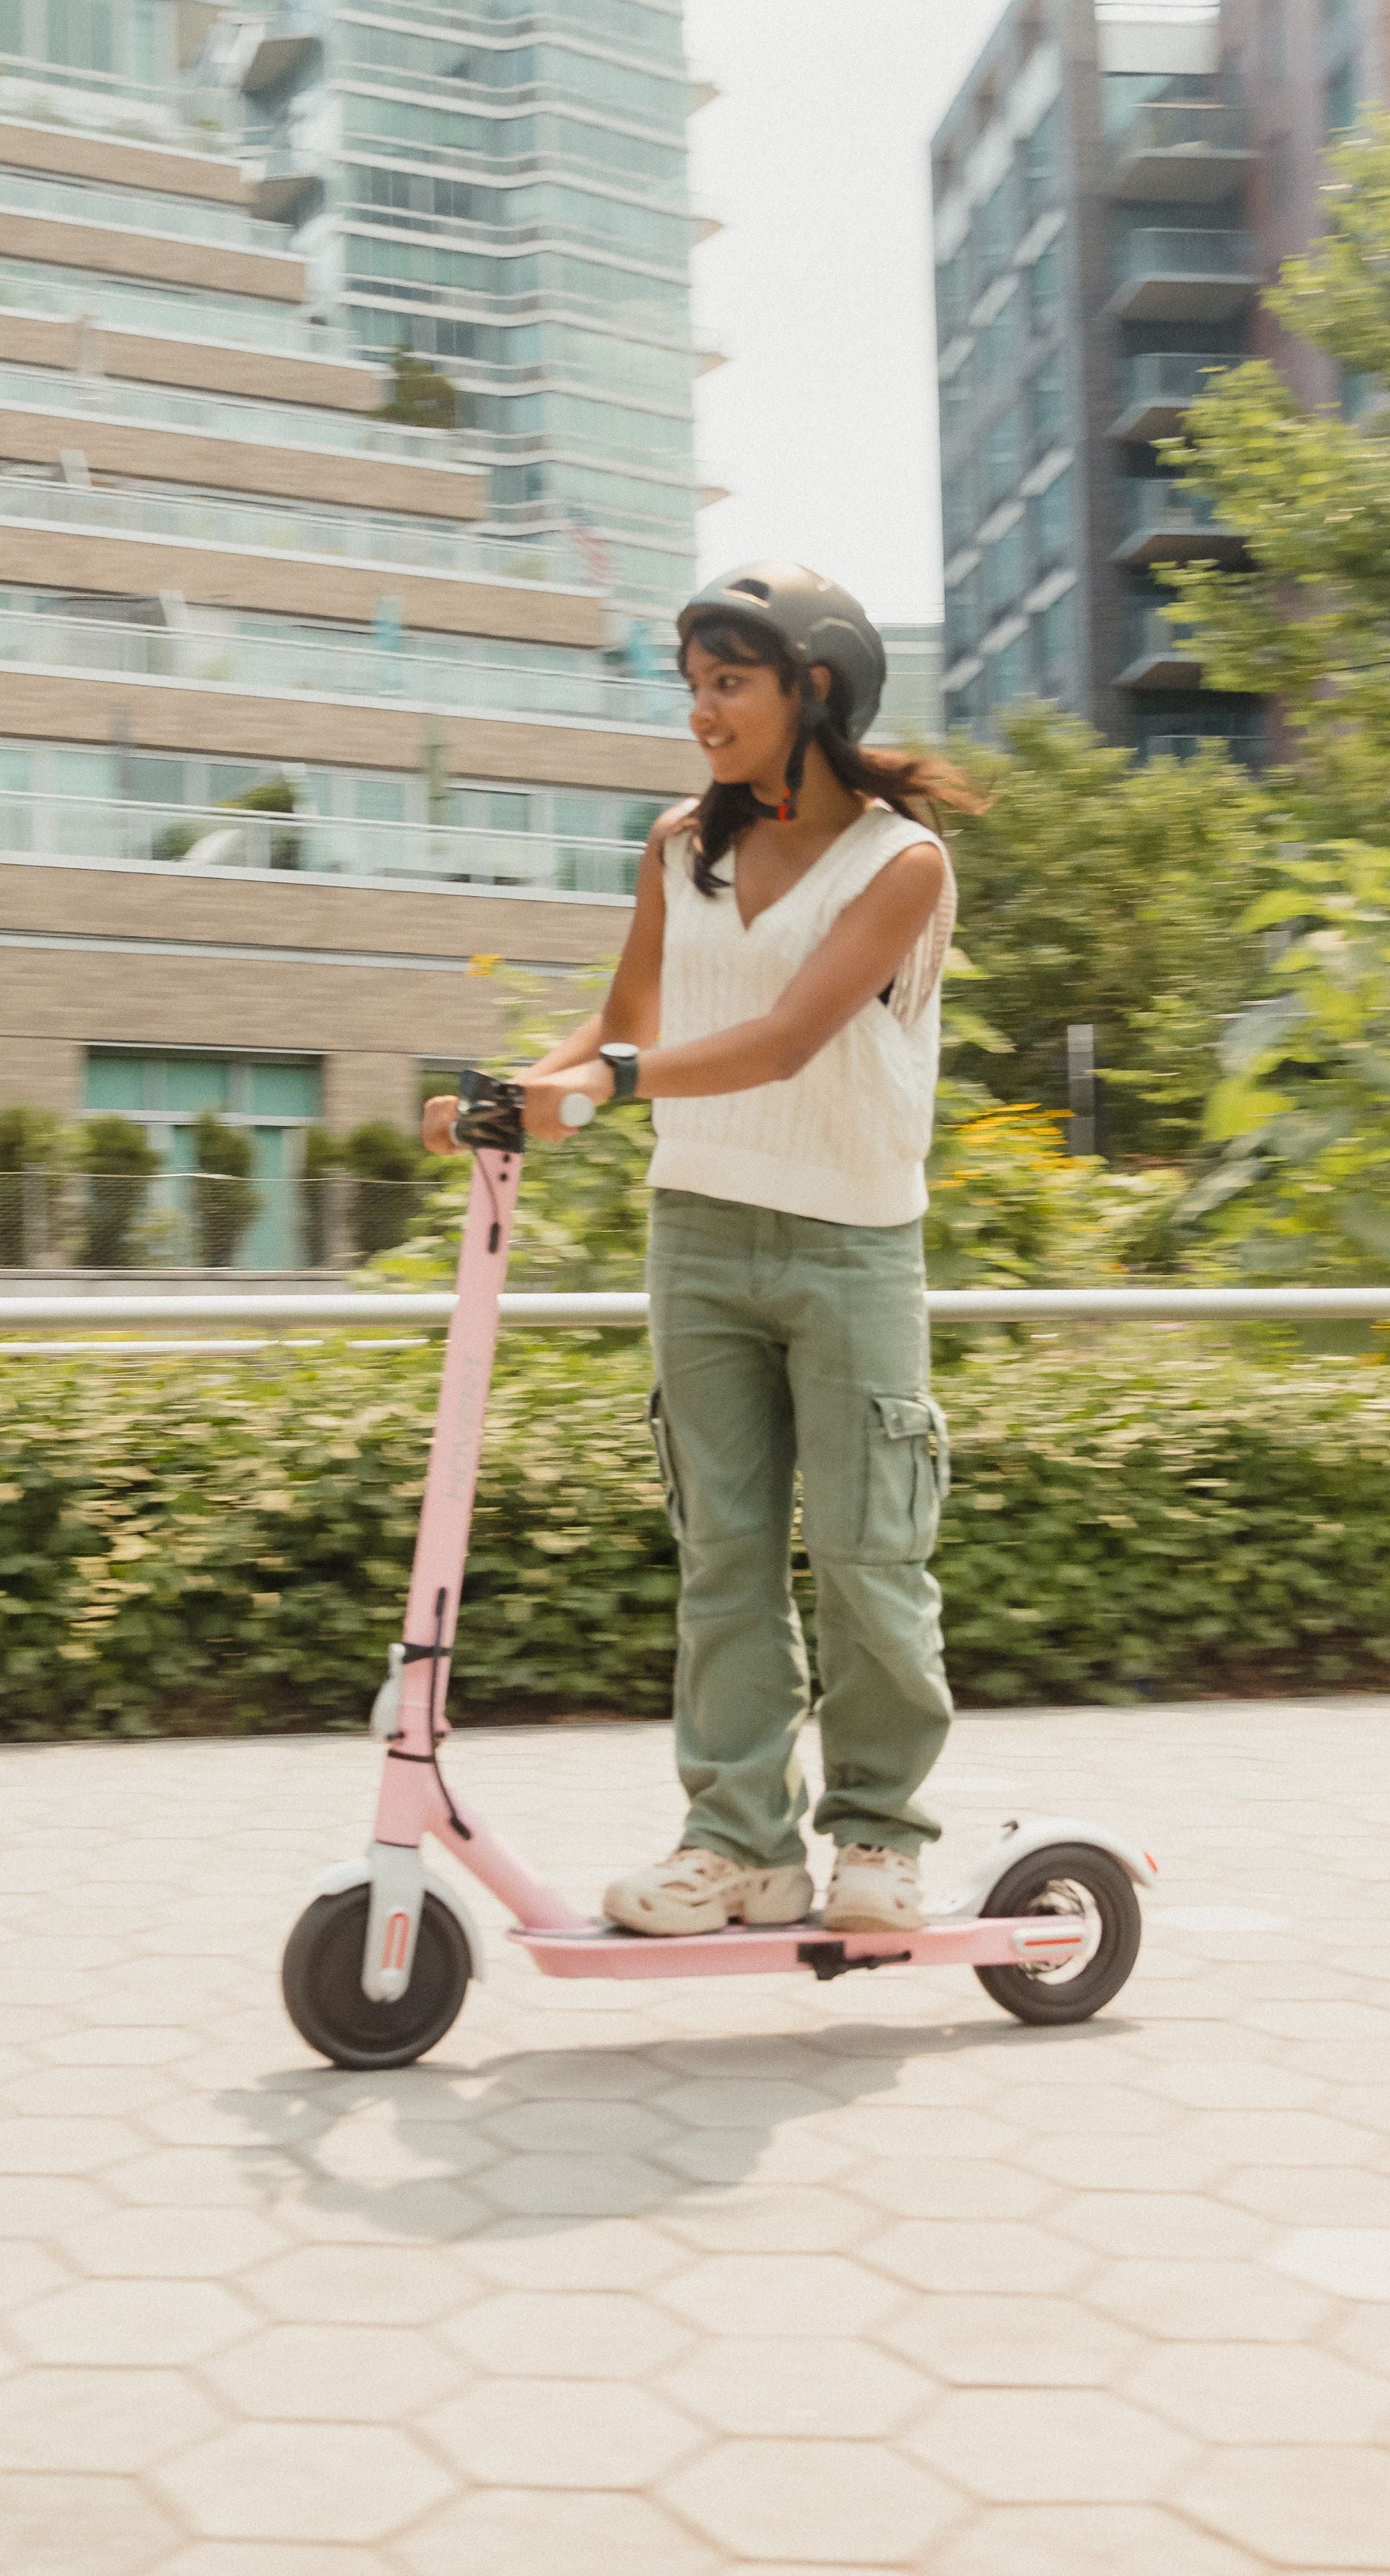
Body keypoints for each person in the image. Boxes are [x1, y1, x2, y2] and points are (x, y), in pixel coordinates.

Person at [423, 562, 986, 1937]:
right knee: (722, 1552)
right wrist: (515, 1090)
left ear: (816, 693)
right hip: (701, 1230)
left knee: (866, 1555)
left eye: (729, 683)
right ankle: (740, 1844)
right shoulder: (684, 847)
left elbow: (790, 1037)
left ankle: (879, 1834)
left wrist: (609, 1081)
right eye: (691, 685)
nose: (702, 712)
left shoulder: (901, 865)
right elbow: (626, 1013)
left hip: (852, 1242)